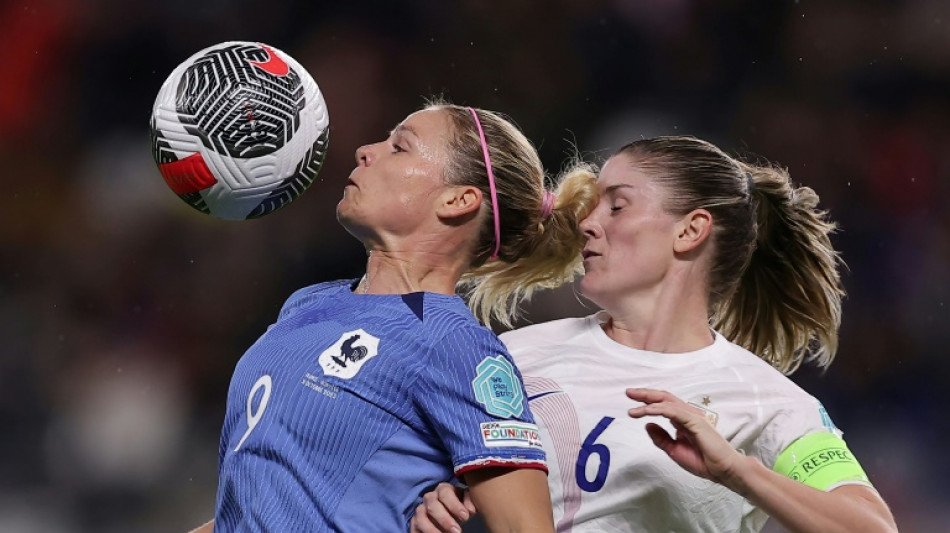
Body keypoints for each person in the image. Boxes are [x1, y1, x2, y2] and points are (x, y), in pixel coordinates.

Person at [412, 136, 899, 533]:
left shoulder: (766, 402)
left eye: (617, 206)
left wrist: (737, 471)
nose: (587, 223)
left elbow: (871, 528)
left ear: (690, 231)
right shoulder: (515, 356)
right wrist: (430, 495)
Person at [187, 100, 599, 532]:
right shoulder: (308, 303)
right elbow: (258, 509)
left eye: (399, 147)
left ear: (458, 200)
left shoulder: (455, 346)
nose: (366, 150)